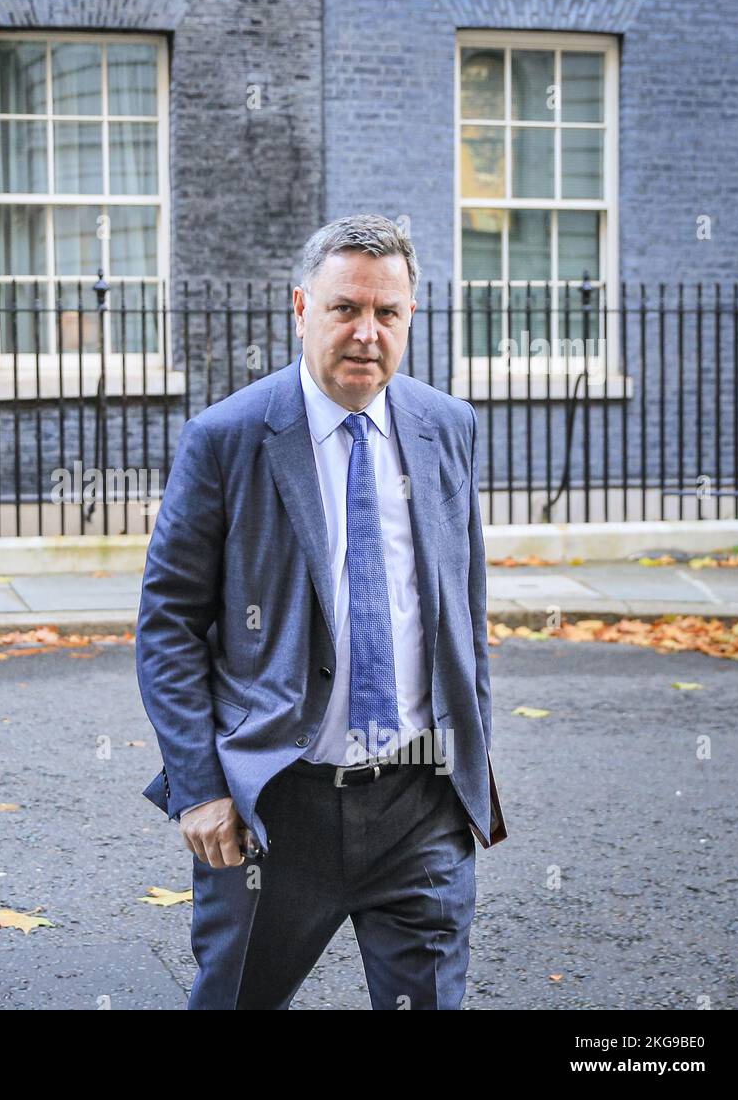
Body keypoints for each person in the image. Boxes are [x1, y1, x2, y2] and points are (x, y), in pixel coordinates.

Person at [136, 214, 507, 1010]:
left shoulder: (449, 427)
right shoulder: (227, 438)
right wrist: (200, 786)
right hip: (278, 804)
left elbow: (462, 609)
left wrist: (470, 760)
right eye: (346, 309)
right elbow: (168, 623)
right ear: (302, 308)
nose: (367, 333)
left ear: (412, 316)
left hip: (420, 804)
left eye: (388, 312)